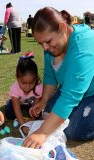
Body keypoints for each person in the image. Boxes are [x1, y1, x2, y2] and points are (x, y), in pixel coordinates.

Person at [22, 7, 94, 148]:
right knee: (48, 115)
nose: (44, 48)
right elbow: (50, 76)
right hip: (70, 89)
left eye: (48, 41)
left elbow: (71, 95)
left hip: (90, 93)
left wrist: (42, 133)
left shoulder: (83, 44)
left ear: (62, 28)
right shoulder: (50, 48)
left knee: (74, 130)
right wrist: (43, 101)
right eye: (40, 43)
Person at [5, 52, 43, 135]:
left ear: (36, 78)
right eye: (24, 83)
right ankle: (8, 102)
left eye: (31, 83)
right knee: (9, 114)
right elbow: (17, 109)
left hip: (29, 103)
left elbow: (36, 104)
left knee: (38, 113)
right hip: (16, 103)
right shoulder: (15, 88)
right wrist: (23, 125)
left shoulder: (38, 86)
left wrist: (31, 119)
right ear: (17, 78)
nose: (28, 87)